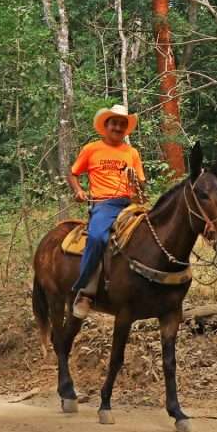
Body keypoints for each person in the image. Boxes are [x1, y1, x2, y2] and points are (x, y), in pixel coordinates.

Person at [67, 104, 146, 319]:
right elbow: (73, 173)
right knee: (96, 238)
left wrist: (135, 180)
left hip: (130, 203)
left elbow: (142, 184)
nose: (118, 127)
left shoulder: (132, 152)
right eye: (115, 123)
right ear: (106, 125)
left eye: (122, 124)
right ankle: (85, 292)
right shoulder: (91, 149)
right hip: (104, 204)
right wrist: (78, 190)